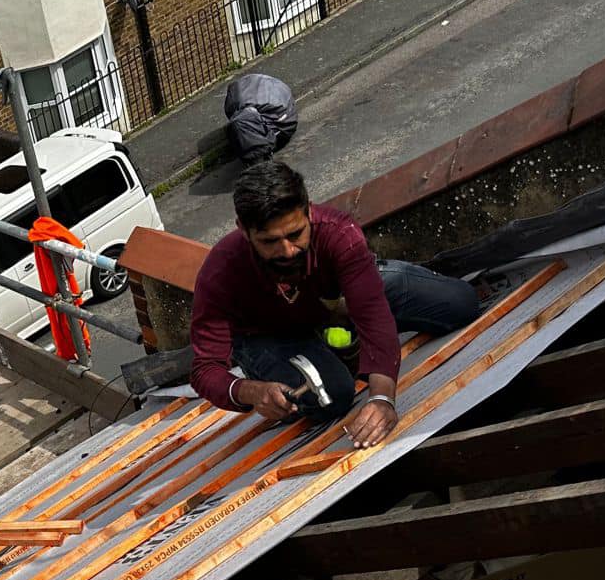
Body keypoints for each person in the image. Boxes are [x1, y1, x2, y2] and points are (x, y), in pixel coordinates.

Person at [190, 161, 480, 448]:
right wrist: (247, 391)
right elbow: (204, 370)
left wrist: (382, 397)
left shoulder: (339, 234)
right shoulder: (221, 272)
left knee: (461, 303)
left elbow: (373, 315)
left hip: (341, 302)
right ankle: (322, 351)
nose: (287, 251)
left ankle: (344, 334)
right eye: (269, 242)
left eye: (295, 234)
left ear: (309, 211)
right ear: (243, 230)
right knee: (332, 396)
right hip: (272, 334)